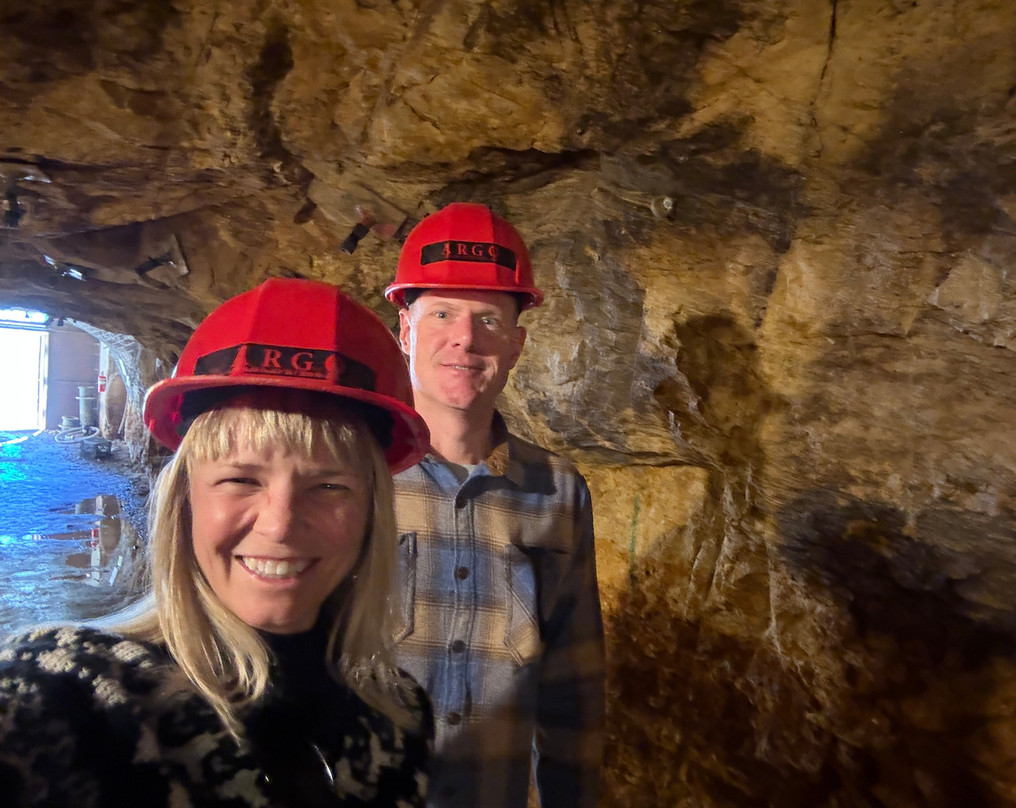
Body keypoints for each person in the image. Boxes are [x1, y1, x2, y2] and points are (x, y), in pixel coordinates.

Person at [0, 278, 434, 807]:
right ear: (185, 501)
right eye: (241, 479)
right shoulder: (71, 692)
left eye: (329, 487)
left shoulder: (398, 716)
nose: (279, 524)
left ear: (371, 514)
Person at [383, 203, 606, 808]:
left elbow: (572, 687)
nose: (465, 337)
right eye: (442, 314)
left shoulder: (558, 493)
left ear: (516, 343)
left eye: (488, 318)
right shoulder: (353, 475)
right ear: (405, 330)